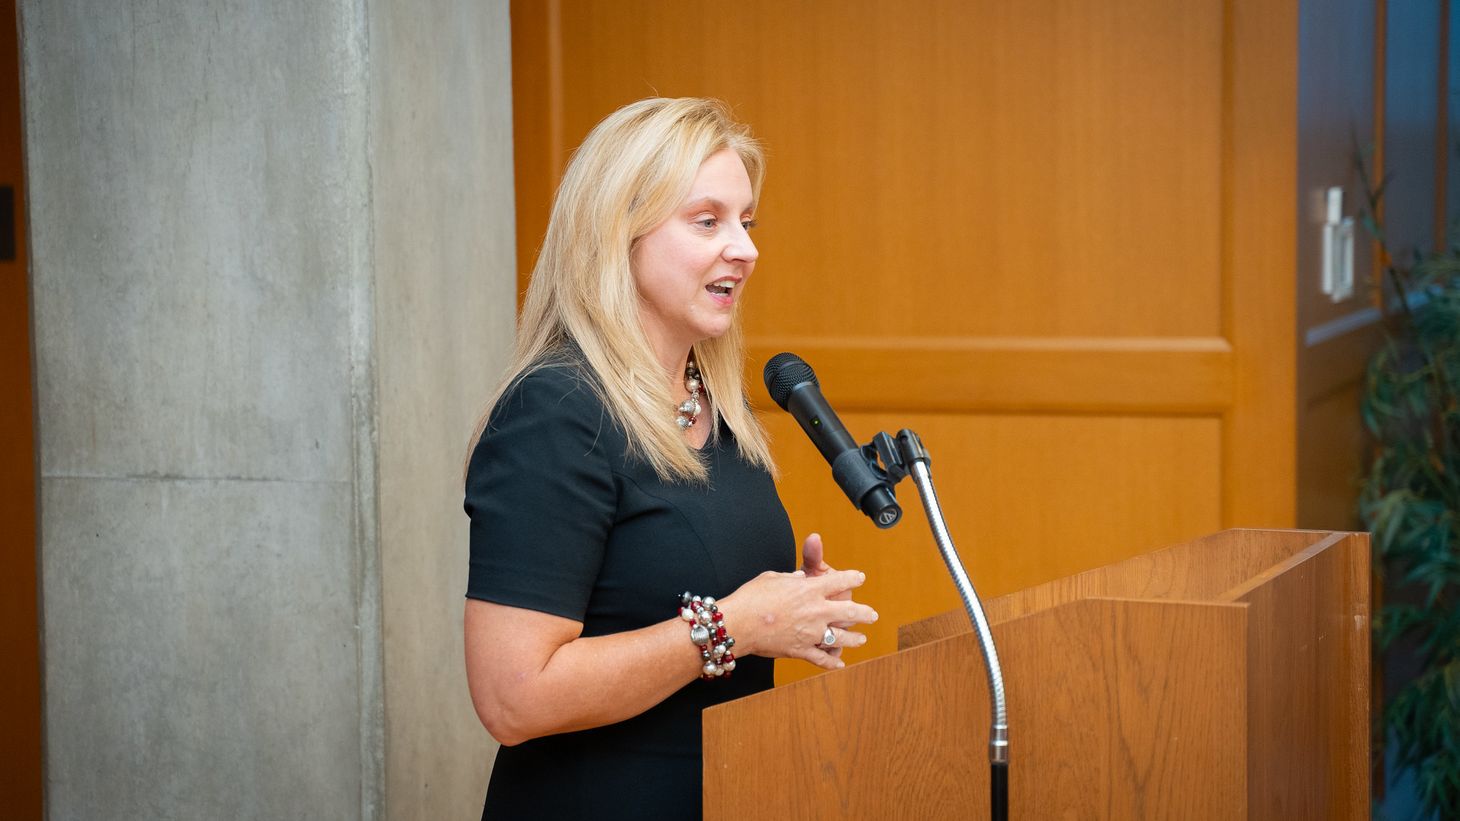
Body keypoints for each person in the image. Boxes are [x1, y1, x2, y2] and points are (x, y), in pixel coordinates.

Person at [461, 97, 880, 820]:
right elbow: (512, 696)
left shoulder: (719, 407)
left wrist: (792, 611)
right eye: (708, 220)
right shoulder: (556, 414)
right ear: (617, 233)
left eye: (746, 222)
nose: (745, 249)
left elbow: (679, 589)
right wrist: (735, 624)